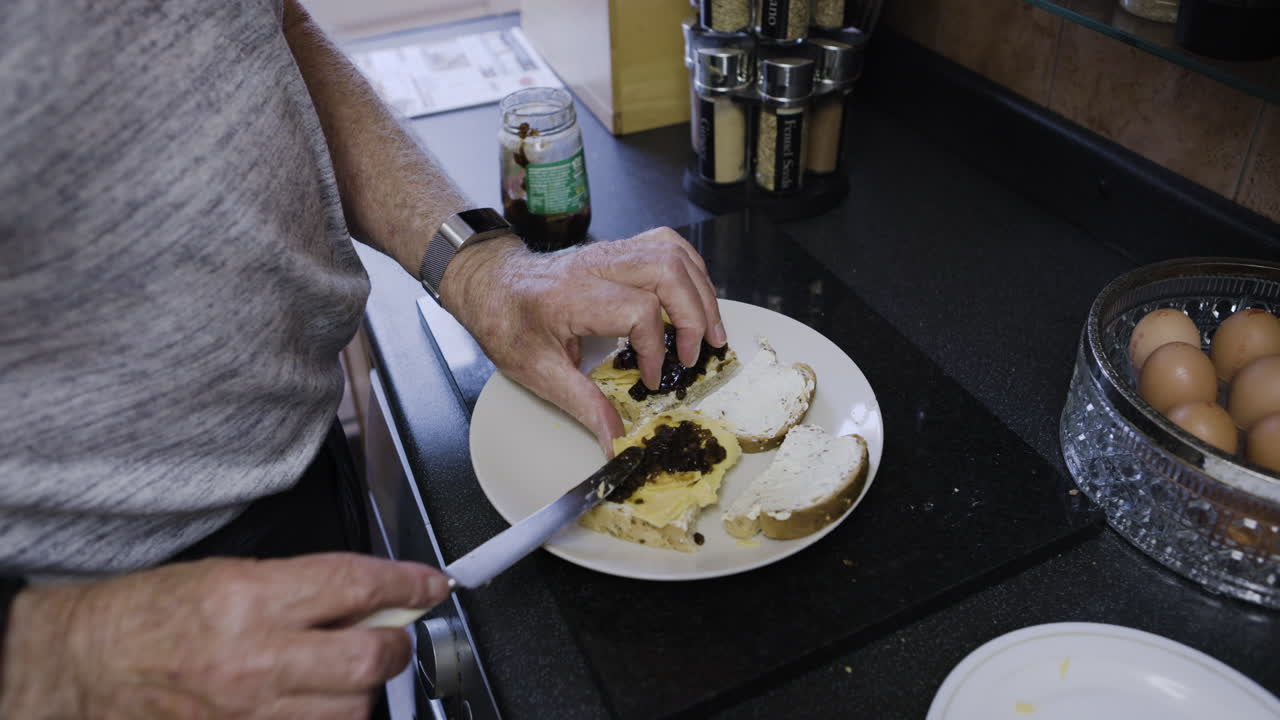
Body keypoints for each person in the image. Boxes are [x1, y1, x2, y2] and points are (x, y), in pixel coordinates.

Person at [0, 1, 724, 717]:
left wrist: (476, 269)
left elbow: (273, 28)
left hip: (295, 473)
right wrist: (57, 652)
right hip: (88, 600)